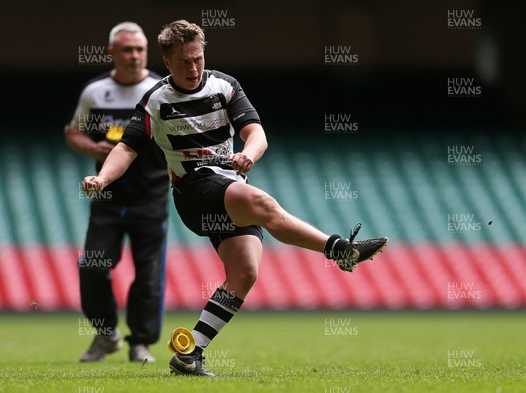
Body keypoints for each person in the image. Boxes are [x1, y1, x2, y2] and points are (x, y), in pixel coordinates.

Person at [82, 19, 388, 376]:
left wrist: (250, 154)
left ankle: (189, 354)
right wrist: (102, 177)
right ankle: (339, 250)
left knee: (244, 273)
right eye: (184, 61)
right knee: (262, 204)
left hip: (228, 185)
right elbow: (127, 148)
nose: (193, 67)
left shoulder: (224, 86)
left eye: (197, 58)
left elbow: (255, 132)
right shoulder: (155, 101)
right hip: (195, 191)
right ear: (167, 62)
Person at [65, 21, 169, 363]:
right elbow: (73, 132)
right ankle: (105, 334)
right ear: (112, 52)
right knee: (92, 265)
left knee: (149, 274)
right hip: (107, 198)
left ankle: (140, 343)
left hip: (151, 197)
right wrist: (93, 148)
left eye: (140, 49)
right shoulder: (95, 92)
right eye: (127, 49)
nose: (135, 56)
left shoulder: (160, 90)